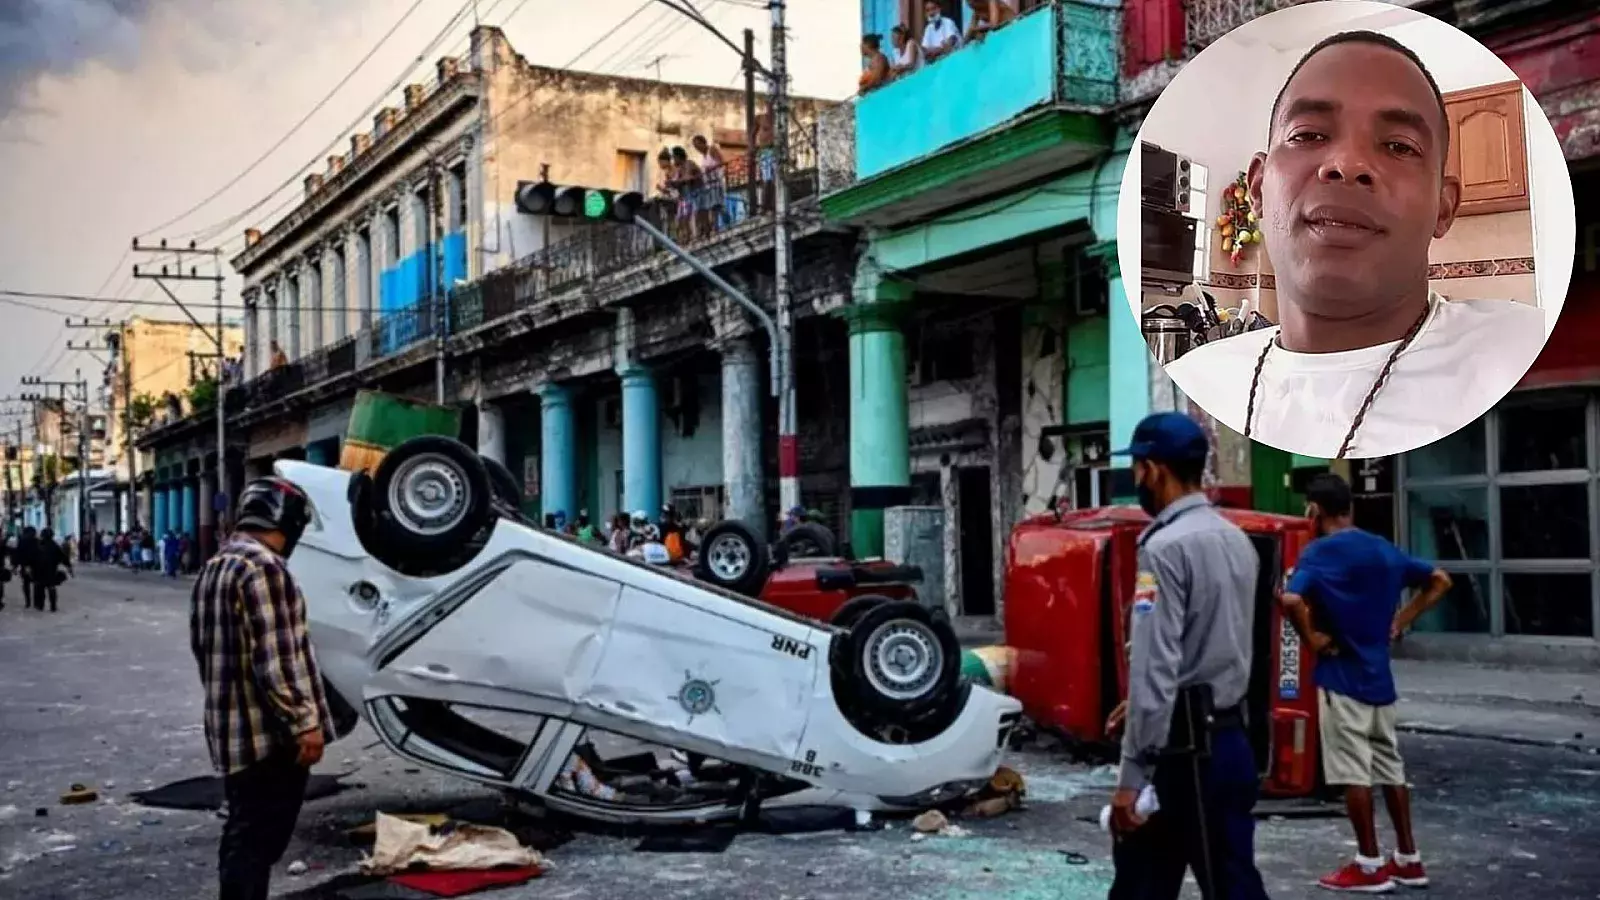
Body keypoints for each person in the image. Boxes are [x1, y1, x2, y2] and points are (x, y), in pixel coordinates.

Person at [1165, 31, 1547, 460]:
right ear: (1257, 189)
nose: (1347, 165)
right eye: (1308, 135)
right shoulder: (1196, 384)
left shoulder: (1527, 353)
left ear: (1443, 208)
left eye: (1399, 146)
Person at [1104, 412, 1269, 900]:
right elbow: (1224, 644)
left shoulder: (1163, 548)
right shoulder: (1236, 540)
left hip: (1184, 756)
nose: (1136, 480)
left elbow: (1157, 667)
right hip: (1230, 741)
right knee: (1227, 880)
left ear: (1153, 470)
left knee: (1148, 885)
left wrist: (1131, 778)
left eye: (1137, 469)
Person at [1280, 473, 1451, 892]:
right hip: (1380, 681)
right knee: (1391, 769)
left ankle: (1369, 863)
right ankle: (1409, 858)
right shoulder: (1383, 549)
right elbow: (1440, 580)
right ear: (1350, 507)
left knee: (1352, 773)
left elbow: (1289, 599)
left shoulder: (1319, 552)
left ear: (1314, 510)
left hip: (1342, 680)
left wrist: (1313, 638)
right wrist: (1400, 621)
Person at [191, 477, 332, 900]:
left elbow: (205, 649)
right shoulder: (264, 568)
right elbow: (277, 658)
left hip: (232, 731)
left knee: (243, 833)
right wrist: (304, 723)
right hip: (269, 737)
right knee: (258, 841)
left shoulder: (216, 566)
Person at [30, 527, 73, 613]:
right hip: (51, 570)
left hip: (39, 571)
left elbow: (32, 558)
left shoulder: (39, 545)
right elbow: (63, 557)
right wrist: (69, 567)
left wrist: (30, 567)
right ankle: (53, 606)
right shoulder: (54, 546)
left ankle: (40, 605)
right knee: (51, 587)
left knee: (40, 588)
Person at [13, 526, 38, 608]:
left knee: (26, 583)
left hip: (25, 565)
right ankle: (36, 602)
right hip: (35, 565)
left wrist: (15, 566)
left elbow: (18, 554)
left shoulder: (22, 541)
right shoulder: (37, 541)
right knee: (36, 583)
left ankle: (28, 602)